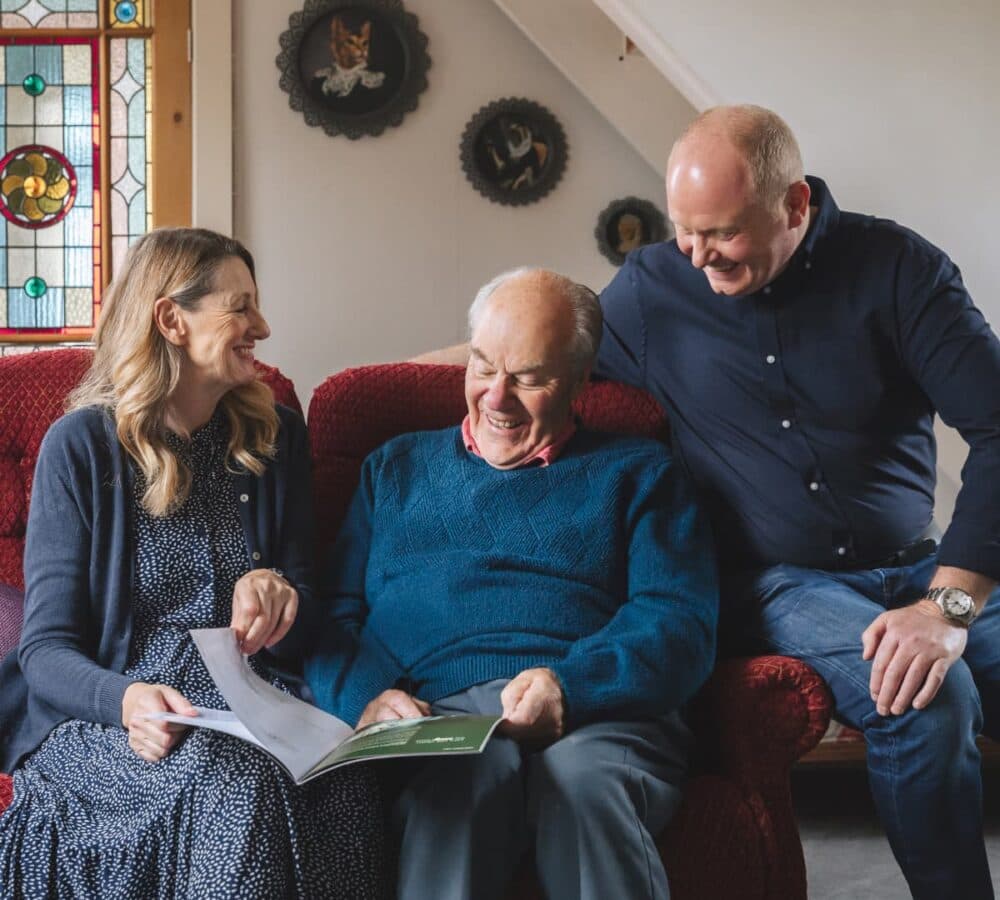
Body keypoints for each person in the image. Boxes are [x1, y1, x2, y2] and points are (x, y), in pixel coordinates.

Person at [593, 105, 999, 900]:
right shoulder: (650, 291)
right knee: (922, 692)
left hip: (922, 570)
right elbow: (542, 351)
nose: (697, 253)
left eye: (723, 232)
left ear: (795, 205)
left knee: (931, 654)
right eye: (684, 229)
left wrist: (948, 607)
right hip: (776, 583)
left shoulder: (898, 269)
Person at [306, 269, 719, 900]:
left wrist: (573, 686)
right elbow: (332, 616)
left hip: (599, 710)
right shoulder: (393, 468)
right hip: (434, 713)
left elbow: (678, 622)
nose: (496, 396)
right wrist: (366, 696)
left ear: (581, 382)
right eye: (482, 367)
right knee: (463, 779)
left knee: (583, 782)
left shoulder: (641, 474)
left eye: (528, 378)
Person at [0, 228, 385, 898]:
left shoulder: (274, 436)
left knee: (347, 781)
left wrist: (282, 598)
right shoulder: (83, 446)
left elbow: (310, 613)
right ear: (171, 319)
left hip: (256, 702)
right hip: (117, 714)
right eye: (240, 307)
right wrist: (125, 700)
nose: (260, 326)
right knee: (234, 782)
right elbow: (45, 650)